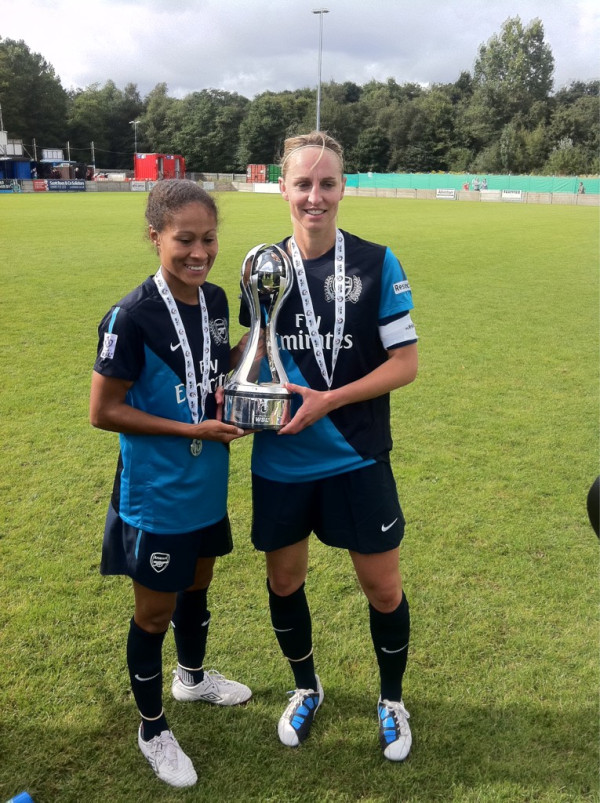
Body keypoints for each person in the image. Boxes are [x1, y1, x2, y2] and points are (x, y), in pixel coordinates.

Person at [243, 131, 419, 761]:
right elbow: (256, 352)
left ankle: (392, 700)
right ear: (283, 188)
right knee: (284, 582)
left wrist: (329, 400)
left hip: (356, 453)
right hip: (283, 459)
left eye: (327, 183)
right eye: (303, 183)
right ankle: (305, 686)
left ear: (343, 187)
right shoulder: (264, 266)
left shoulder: (376, 263)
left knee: (383, 589)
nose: (314, 196)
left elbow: (405, 364)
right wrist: (232, 394)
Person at [90, 179, 252, 789]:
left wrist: (256, 339)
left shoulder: (215, 301)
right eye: (185, 240)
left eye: (209, 238)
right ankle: (152, 728)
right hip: (157, 493)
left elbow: (209, 367)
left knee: (198, 585)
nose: (199, 252)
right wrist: (190, 427)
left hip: (207, 479)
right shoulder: (130, 316)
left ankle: (191, 678)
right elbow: (103, 411)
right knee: (154, 612)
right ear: (155, 237)